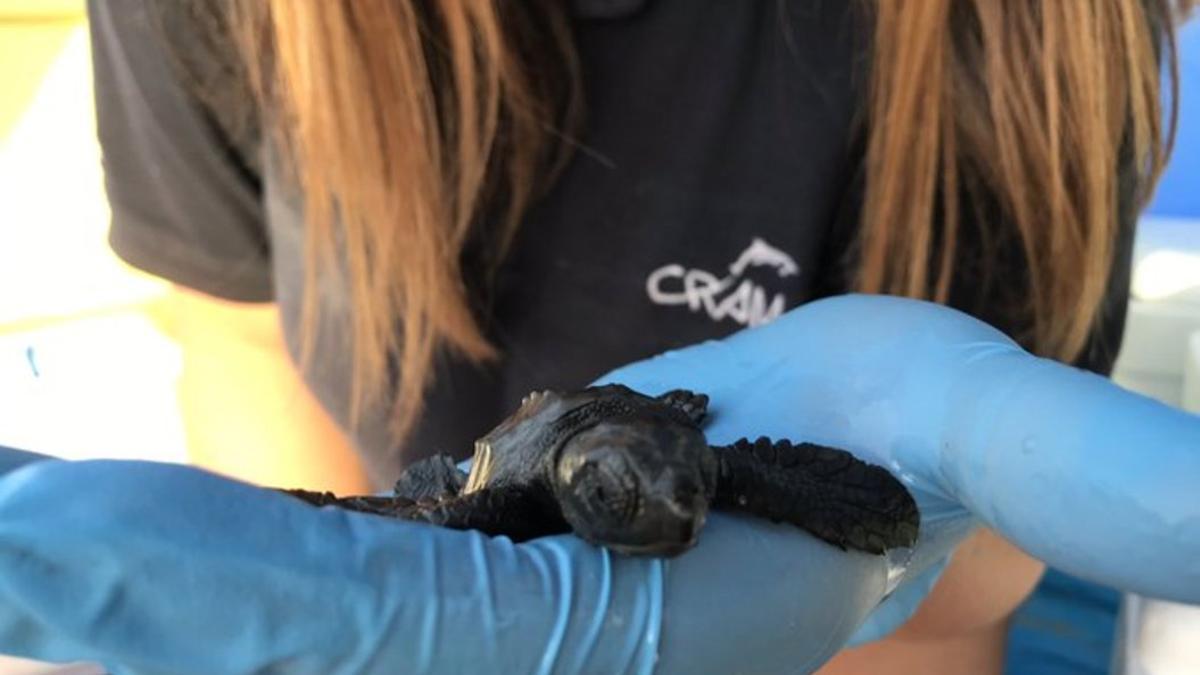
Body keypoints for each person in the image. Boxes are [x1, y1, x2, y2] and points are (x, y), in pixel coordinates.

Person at [0, 1, 1196, 673]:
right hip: (499, 482)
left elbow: (939, 583)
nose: (674, 511)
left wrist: (902, 550)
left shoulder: (1033, 36)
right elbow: (245, 345)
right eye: (658, 500)